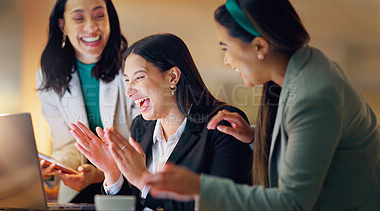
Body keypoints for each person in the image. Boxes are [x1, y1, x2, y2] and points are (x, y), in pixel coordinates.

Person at [144, 0, 380, 210]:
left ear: (259, 47)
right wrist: (256, 136)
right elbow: (314, 140)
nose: (227, 61)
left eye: (226, 48)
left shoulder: (314, 96)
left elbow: (292, 203)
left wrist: (200, 187)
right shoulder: (308, 64)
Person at [70, 33, 253, 211]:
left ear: (172, 77)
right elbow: (136, 204)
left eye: (139, 77)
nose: (129, 91)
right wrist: (113, 173)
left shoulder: (222, 125)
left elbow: (222, 205)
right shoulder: (140, 127)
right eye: (127, 81)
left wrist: (143, 179)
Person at [36, 0, 138, 203]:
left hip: (129, 186)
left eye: (99, 15)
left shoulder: (133, 67)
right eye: (78, 18)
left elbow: (144, 144)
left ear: (110, 20)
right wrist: (54, 167)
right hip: (79, 194)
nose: (91, 27)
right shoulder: (48, 76)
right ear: (62, 25)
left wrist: (104, 172)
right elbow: (67, 145)